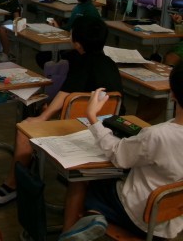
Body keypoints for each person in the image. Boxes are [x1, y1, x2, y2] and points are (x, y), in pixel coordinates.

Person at [0, 16, 124, 208]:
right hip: (109, 130)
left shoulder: (82, 64)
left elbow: (66, 95)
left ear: (76, 42)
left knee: (25, 128)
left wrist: (43, 117)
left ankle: (12, 185)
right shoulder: (109, 64)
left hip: (81, 129)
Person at [58, 64, 183, 241]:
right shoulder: (159, 134)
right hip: (170, 220)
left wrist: (92, 117)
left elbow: (118, 154)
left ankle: (90, 218)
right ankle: (95, 216)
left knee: (86, 177)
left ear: (172, 94)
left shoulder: (157, 135)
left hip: (140, 218)